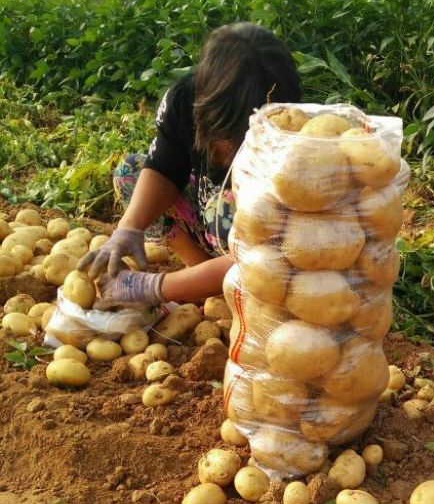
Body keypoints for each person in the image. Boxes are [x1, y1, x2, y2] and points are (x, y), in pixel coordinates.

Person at [79, 22, 301, 304]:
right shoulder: (187, 99)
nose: (229, 147)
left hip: (254, 254)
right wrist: (129, 228)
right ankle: (198, 272)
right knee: (131, 173)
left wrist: (150, 287)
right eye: (226, 130)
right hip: (207, 226)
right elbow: (163, 167)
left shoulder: (291, 140)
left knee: (222, 210)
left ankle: (210, 284)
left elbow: (267, 254)